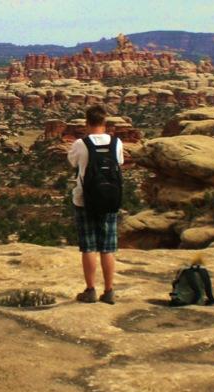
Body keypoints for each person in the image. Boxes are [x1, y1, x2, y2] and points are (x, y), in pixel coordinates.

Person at [68, 105, 124, 305]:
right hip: (109, 198)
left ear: (87, 122)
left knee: (89, 246)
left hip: (85, 200)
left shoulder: (80, 144)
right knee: (108, 248)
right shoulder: (117, 143)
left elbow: (73, 164)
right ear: (105, 122)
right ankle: (109, 291)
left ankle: (90, 290)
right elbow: (120, 163)